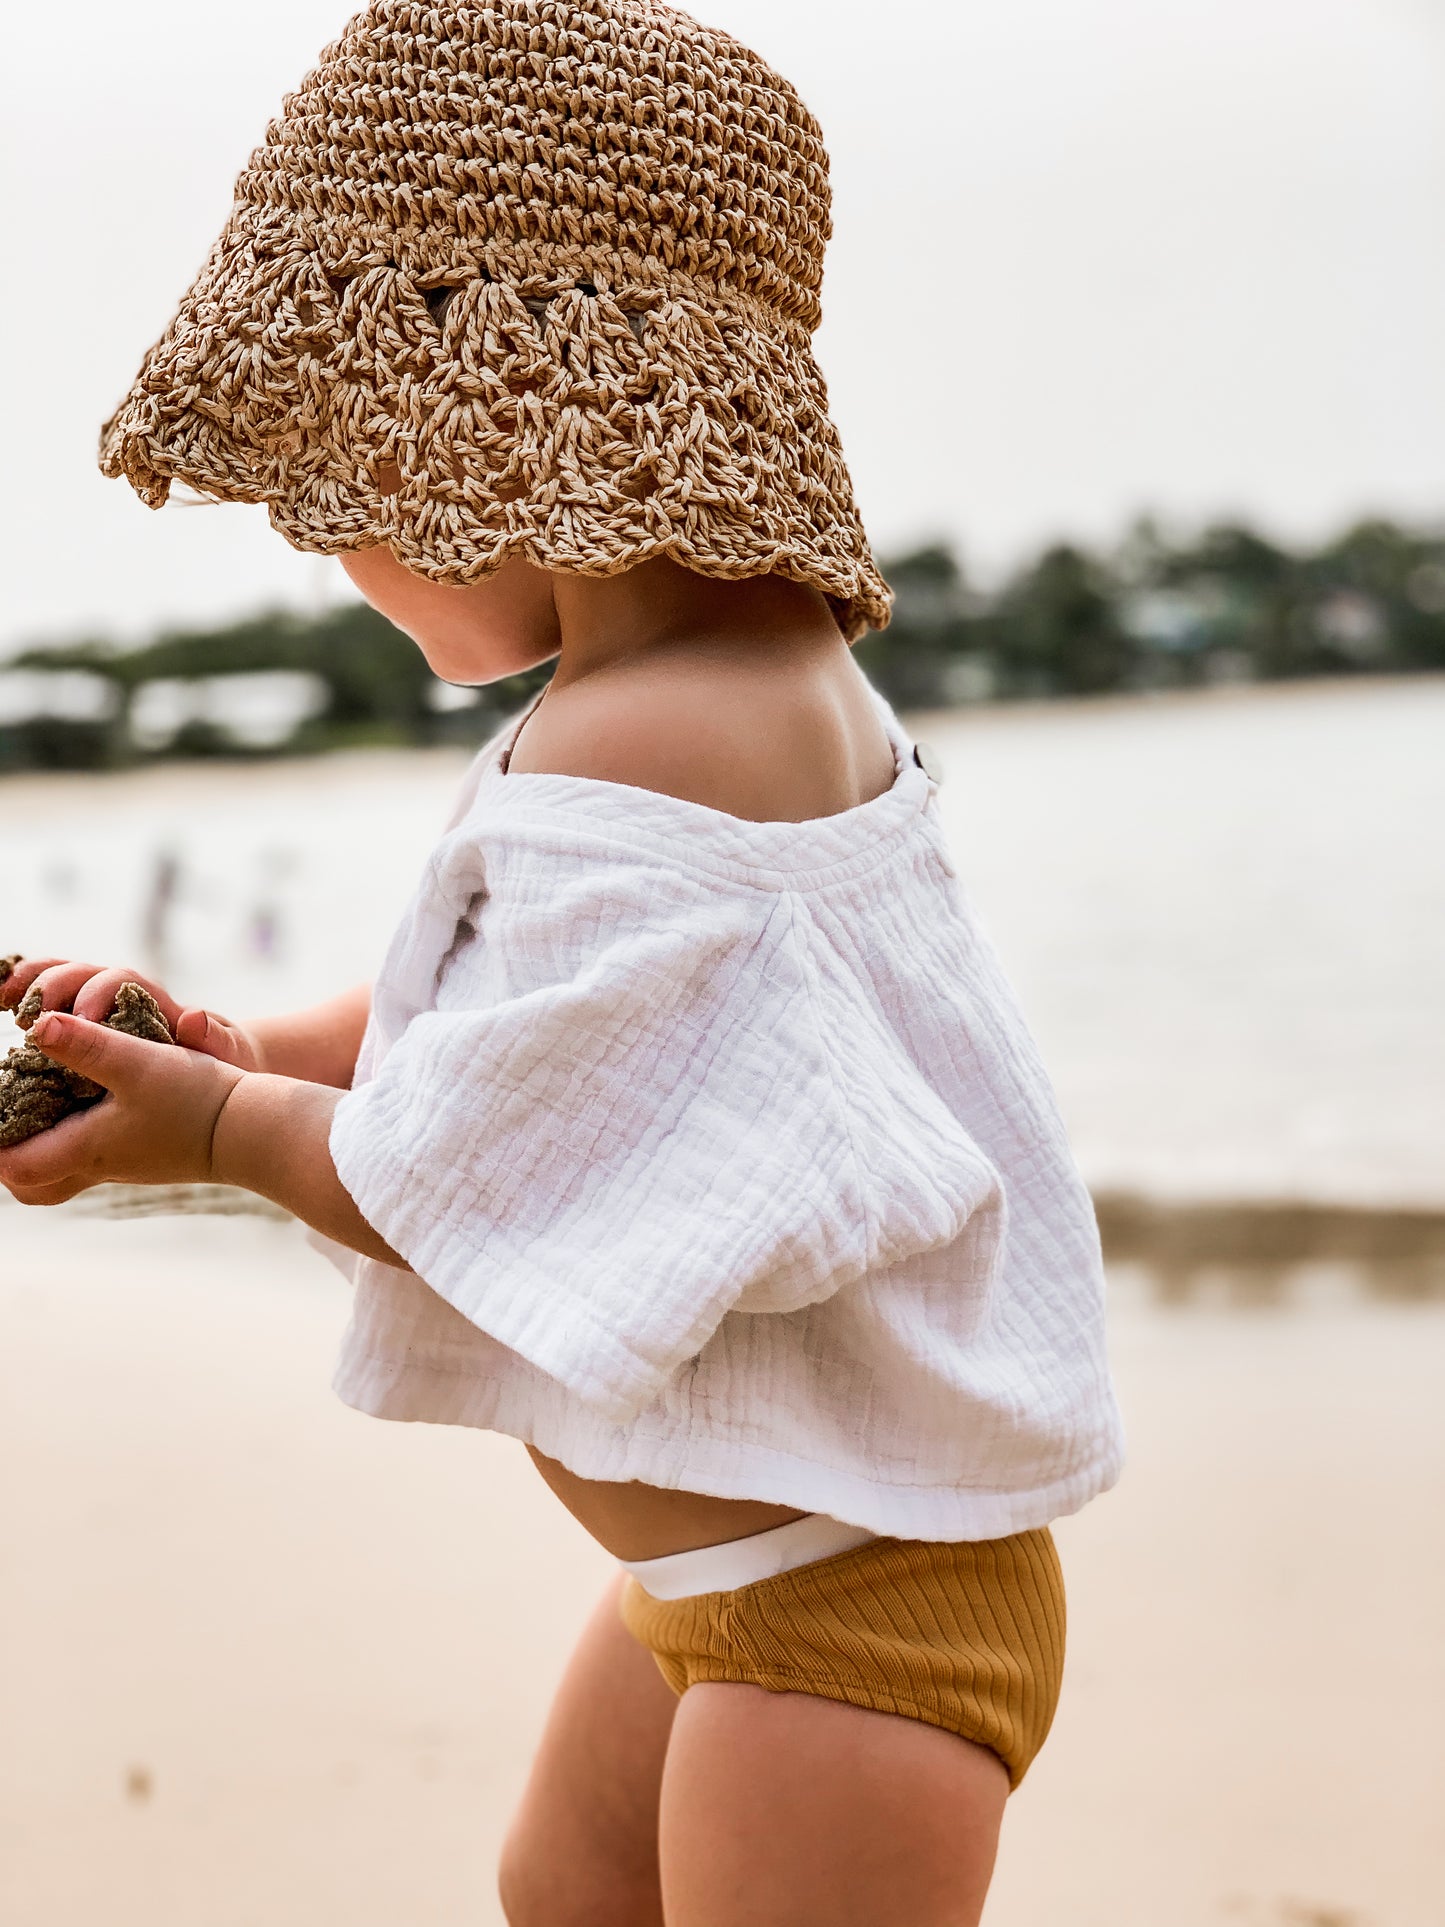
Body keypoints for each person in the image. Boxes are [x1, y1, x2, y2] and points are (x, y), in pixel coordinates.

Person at [0, 5, 1125, 1921]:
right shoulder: (722, 688)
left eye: (350, 475)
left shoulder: (655, 740)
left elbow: (484, 1172)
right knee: (562, 1894)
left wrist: (214, 1124)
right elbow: (527, 1041)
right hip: (739, 1576)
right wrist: (241, 1042)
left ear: (502, 402)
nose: (330, 539)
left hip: (846, 1624)